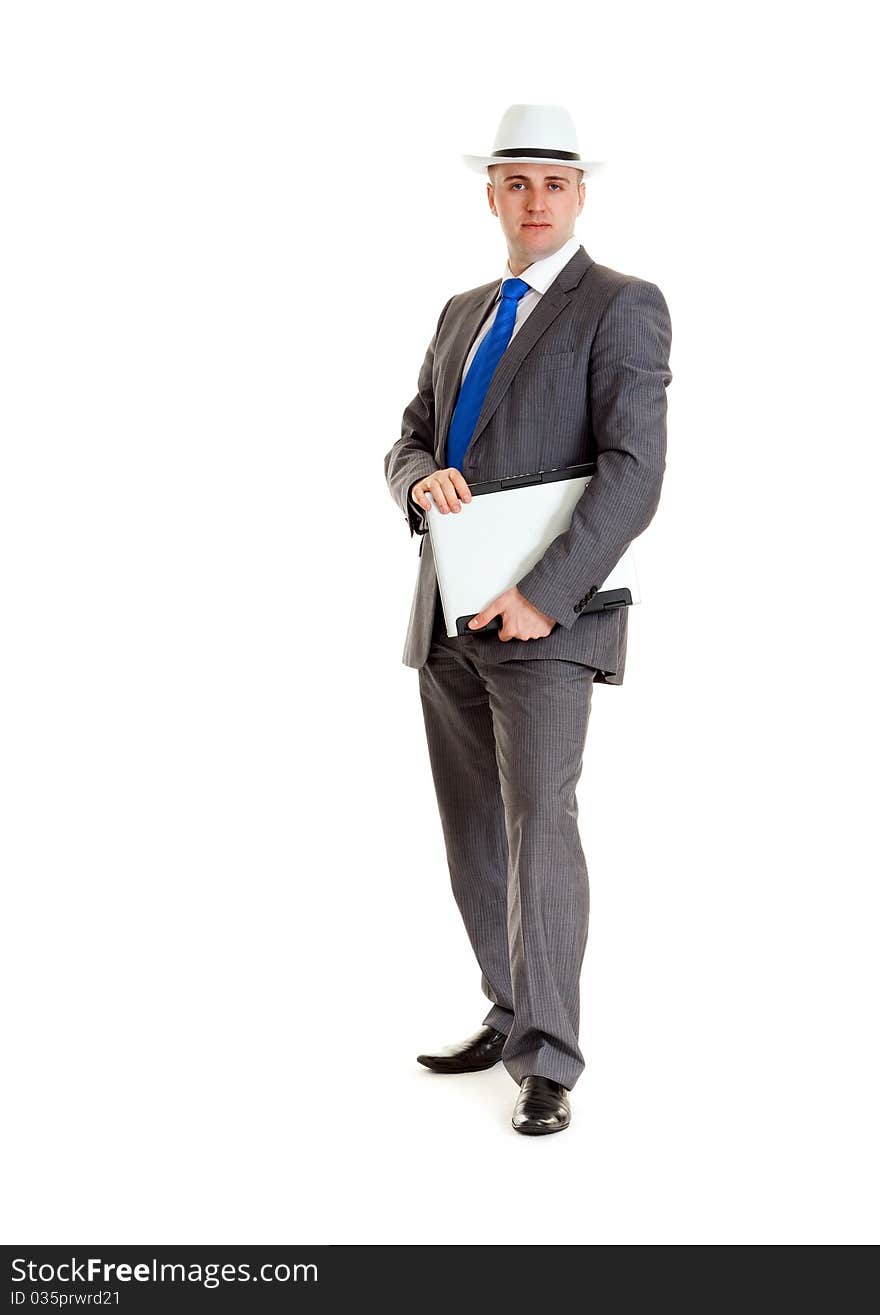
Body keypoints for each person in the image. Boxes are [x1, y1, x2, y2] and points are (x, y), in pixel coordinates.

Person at [383, 104, 673, 1136]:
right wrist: (420, 483)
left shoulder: (622, 306)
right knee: (472, 830)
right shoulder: (463, 309)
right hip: (448, 614)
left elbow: (633, 476)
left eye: (553, 183)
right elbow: (409, 437)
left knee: (538, 822)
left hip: (547, 621)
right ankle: (507, 1014)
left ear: (580, 194)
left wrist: (540, 595)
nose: (534, 199)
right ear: (492, 194)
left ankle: (549, 1057)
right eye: (515, 181)